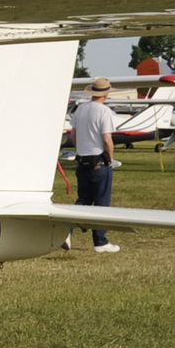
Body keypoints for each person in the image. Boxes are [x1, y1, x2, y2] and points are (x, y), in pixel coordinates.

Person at [71, 75, 121, 254]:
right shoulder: (104, 111)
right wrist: (110, 159)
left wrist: (80, 150)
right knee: (101, 202)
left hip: (82, 160)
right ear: (106, 94)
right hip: (99, 162)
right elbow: (107, 139)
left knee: (82, 200)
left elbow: (73, 135)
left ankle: (67, 232)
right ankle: (100, 241)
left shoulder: (81, 110)